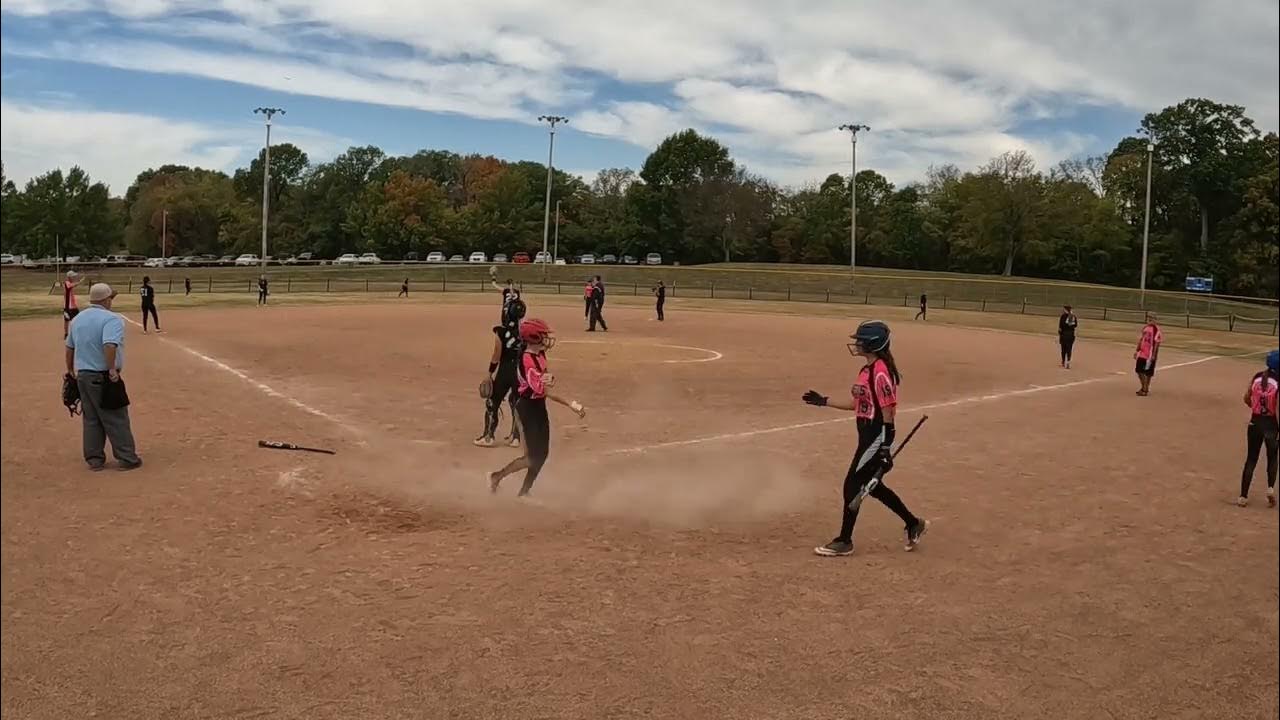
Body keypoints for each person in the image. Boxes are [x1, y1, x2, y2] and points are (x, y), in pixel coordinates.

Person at [802, 320, 928, 556]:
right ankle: (913, 523)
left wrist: (885, 447)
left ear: (872, 343)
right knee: (874, 486)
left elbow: (888, 410)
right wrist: (824, 401)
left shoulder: (880, 372)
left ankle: (844, 540)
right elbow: (856, 405)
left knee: (853, 485)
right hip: (867, 434)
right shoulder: (867, 370)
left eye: (860, 340)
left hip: (875, 435)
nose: (857, 343)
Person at [488, 318, 586, 497]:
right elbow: (543, 390)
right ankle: (497, 477)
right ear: (533, 337)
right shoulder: (527, 361)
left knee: (542, 454)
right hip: (526, 409)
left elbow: (545, 381)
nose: (547, 338)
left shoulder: (540, 355)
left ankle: (524, 492)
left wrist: (549, 378)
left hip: (538, 407)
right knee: (531, 457)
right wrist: (570, 404)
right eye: (543, 335)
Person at [64, 283, 142, 472]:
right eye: (111, 298)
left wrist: (70, 370)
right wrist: (112, 370)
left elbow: (70, 347)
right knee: (116, 416)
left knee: (91, 418)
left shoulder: (78, 319)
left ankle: (94, 459)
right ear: (106, 300)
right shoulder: (111, 319)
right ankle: (127, 458)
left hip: (83, 374)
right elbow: (109, 345)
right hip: (103, 375)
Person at [475, 297, 527, 448]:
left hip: (505, 370)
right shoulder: (525, 331)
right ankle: (516, 438)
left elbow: (497, 353)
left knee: (493, 401)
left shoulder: (501, 331)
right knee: (516, 401)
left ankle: (488, 436)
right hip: (520, 371)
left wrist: (490, 373)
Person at [1238, 350, 1279, 508]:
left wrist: (1255, 407)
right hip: (1271, 424)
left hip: (1255, 422)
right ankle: (1269, 489)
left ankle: (1243, 496)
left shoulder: (1257, 377)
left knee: (1251, 459)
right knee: (1272, 458)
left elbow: (1246, 398)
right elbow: (1277, 408)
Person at [1134, 313, 1162, 396]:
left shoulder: (1157, 330)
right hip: (1142, 353)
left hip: (1149, 355)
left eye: (1152, 319)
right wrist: (1137, 350)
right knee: (1139, 370)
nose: (1150, 320)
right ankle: (1144, 388)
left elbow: (1157, 344)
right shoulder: (1145, 328)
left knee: (1148, 373)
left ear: (1155, 320)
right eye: (1148, 319)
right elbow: (1141, 339)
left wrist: (1153, 355)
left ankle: (1144, 389)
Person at [62, 270, 83, 338]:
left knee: (74, 319)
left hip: (72, 305)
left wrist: (78, 282)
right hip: (69, 306)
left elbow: (73, 285)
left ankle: (72, 333)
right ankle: (67, 334)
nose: (74, 278)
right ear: (69, 277)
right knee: (69, 320)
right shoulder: (67, 283)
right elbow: (71, 285)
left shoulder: (69, 283)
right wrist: (79, 282)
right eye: (73, 277)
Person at [1058, 305, 1078, 369]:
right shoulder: (1073, 316)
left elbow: (1061, 327)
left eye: (1064, 309)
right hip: (1071, 335)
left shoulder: (1063, 316)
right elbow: (1075, 325)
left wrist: (1060, 333)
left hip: (1064, 335)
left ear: (1066, 310)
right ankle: (1068, 361)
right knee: (1069, 349)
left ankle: (1063, 362)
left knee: (1063, 349)